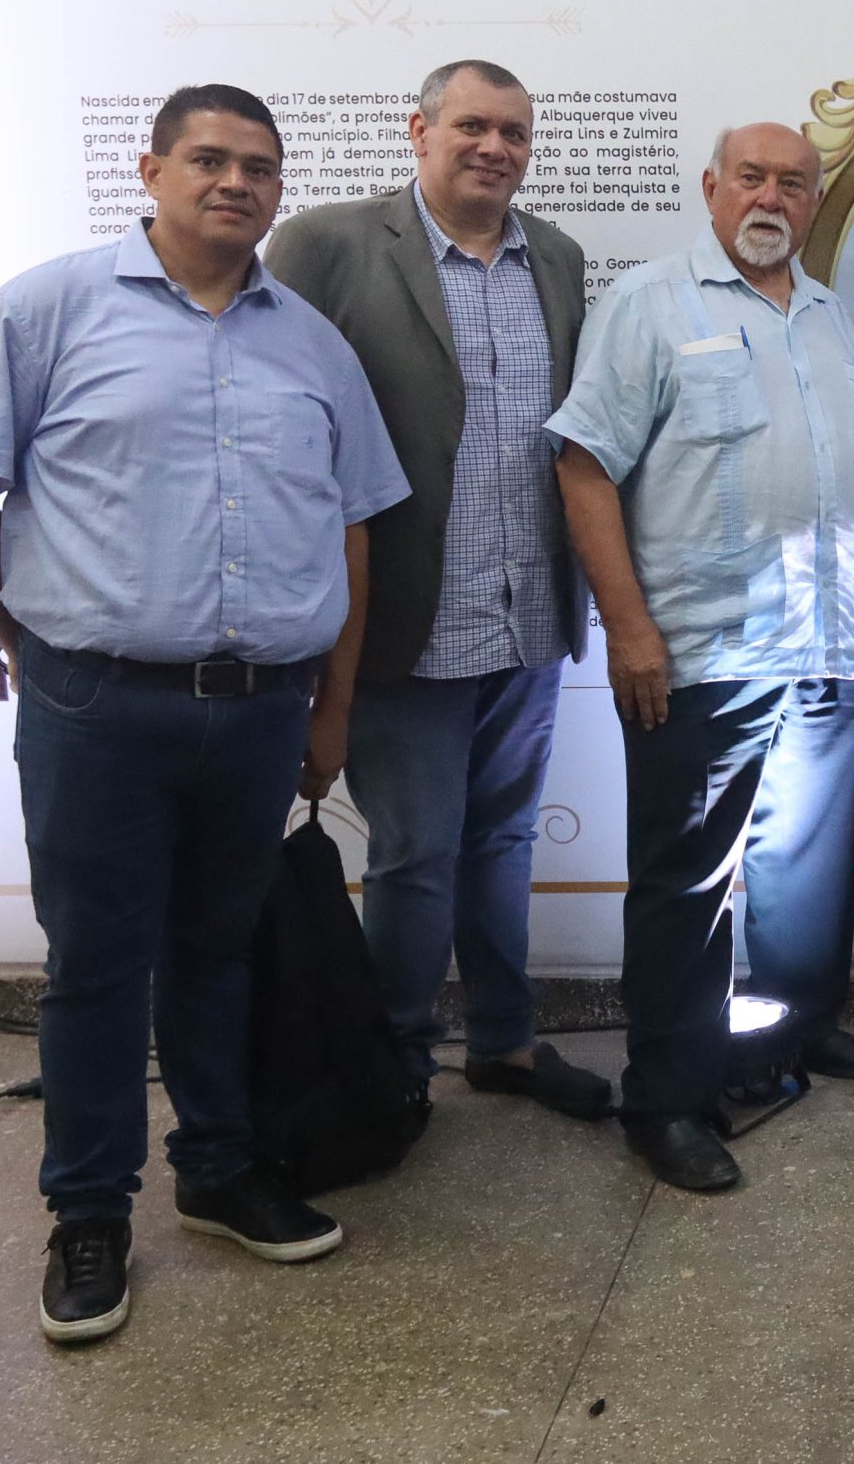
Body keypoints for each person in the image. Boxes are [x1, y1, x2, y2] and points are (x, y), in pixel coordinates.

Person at [0, 83, 409, 1344]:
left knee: (218, 950)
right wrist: (24, 636)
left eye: (259, 166)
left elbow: (352, 528)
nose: (235, 182)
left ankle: (220, 1168)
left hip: (258, 711)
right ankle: (89, 1214)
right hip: (97, 707)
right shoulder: (49, 308)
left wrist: (332, 707)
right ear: (152, 171)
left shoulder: (312, 343)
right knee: (94, 968)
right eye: (208, 159)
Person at [547, 122, 854, 1192]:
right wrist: (629, 628)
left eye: (792, 182)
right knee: (685, 885)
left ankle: (797, 1030)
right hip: (703, 649)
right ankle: (665, 1098)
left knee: (806, 865)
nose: (770, 197)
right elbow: (584, 468)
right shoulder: (649, 303)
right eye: (751, 177)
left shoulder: (830, 318)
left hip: (829, 642)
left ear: (813, 201)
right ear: (711, 188)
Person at [266, 60, 611, 1122]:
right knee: (415, 856)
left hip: (527, 614)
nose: (494, 148)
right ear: (418, 132)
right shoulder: (327, 244)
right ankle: (396, 1067)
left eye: (514, 132)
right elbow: (285, 426)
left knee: (503, 842)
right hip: (403, 619)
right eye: (472, 126)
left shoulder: (556, 255)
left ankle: (504, 1041)